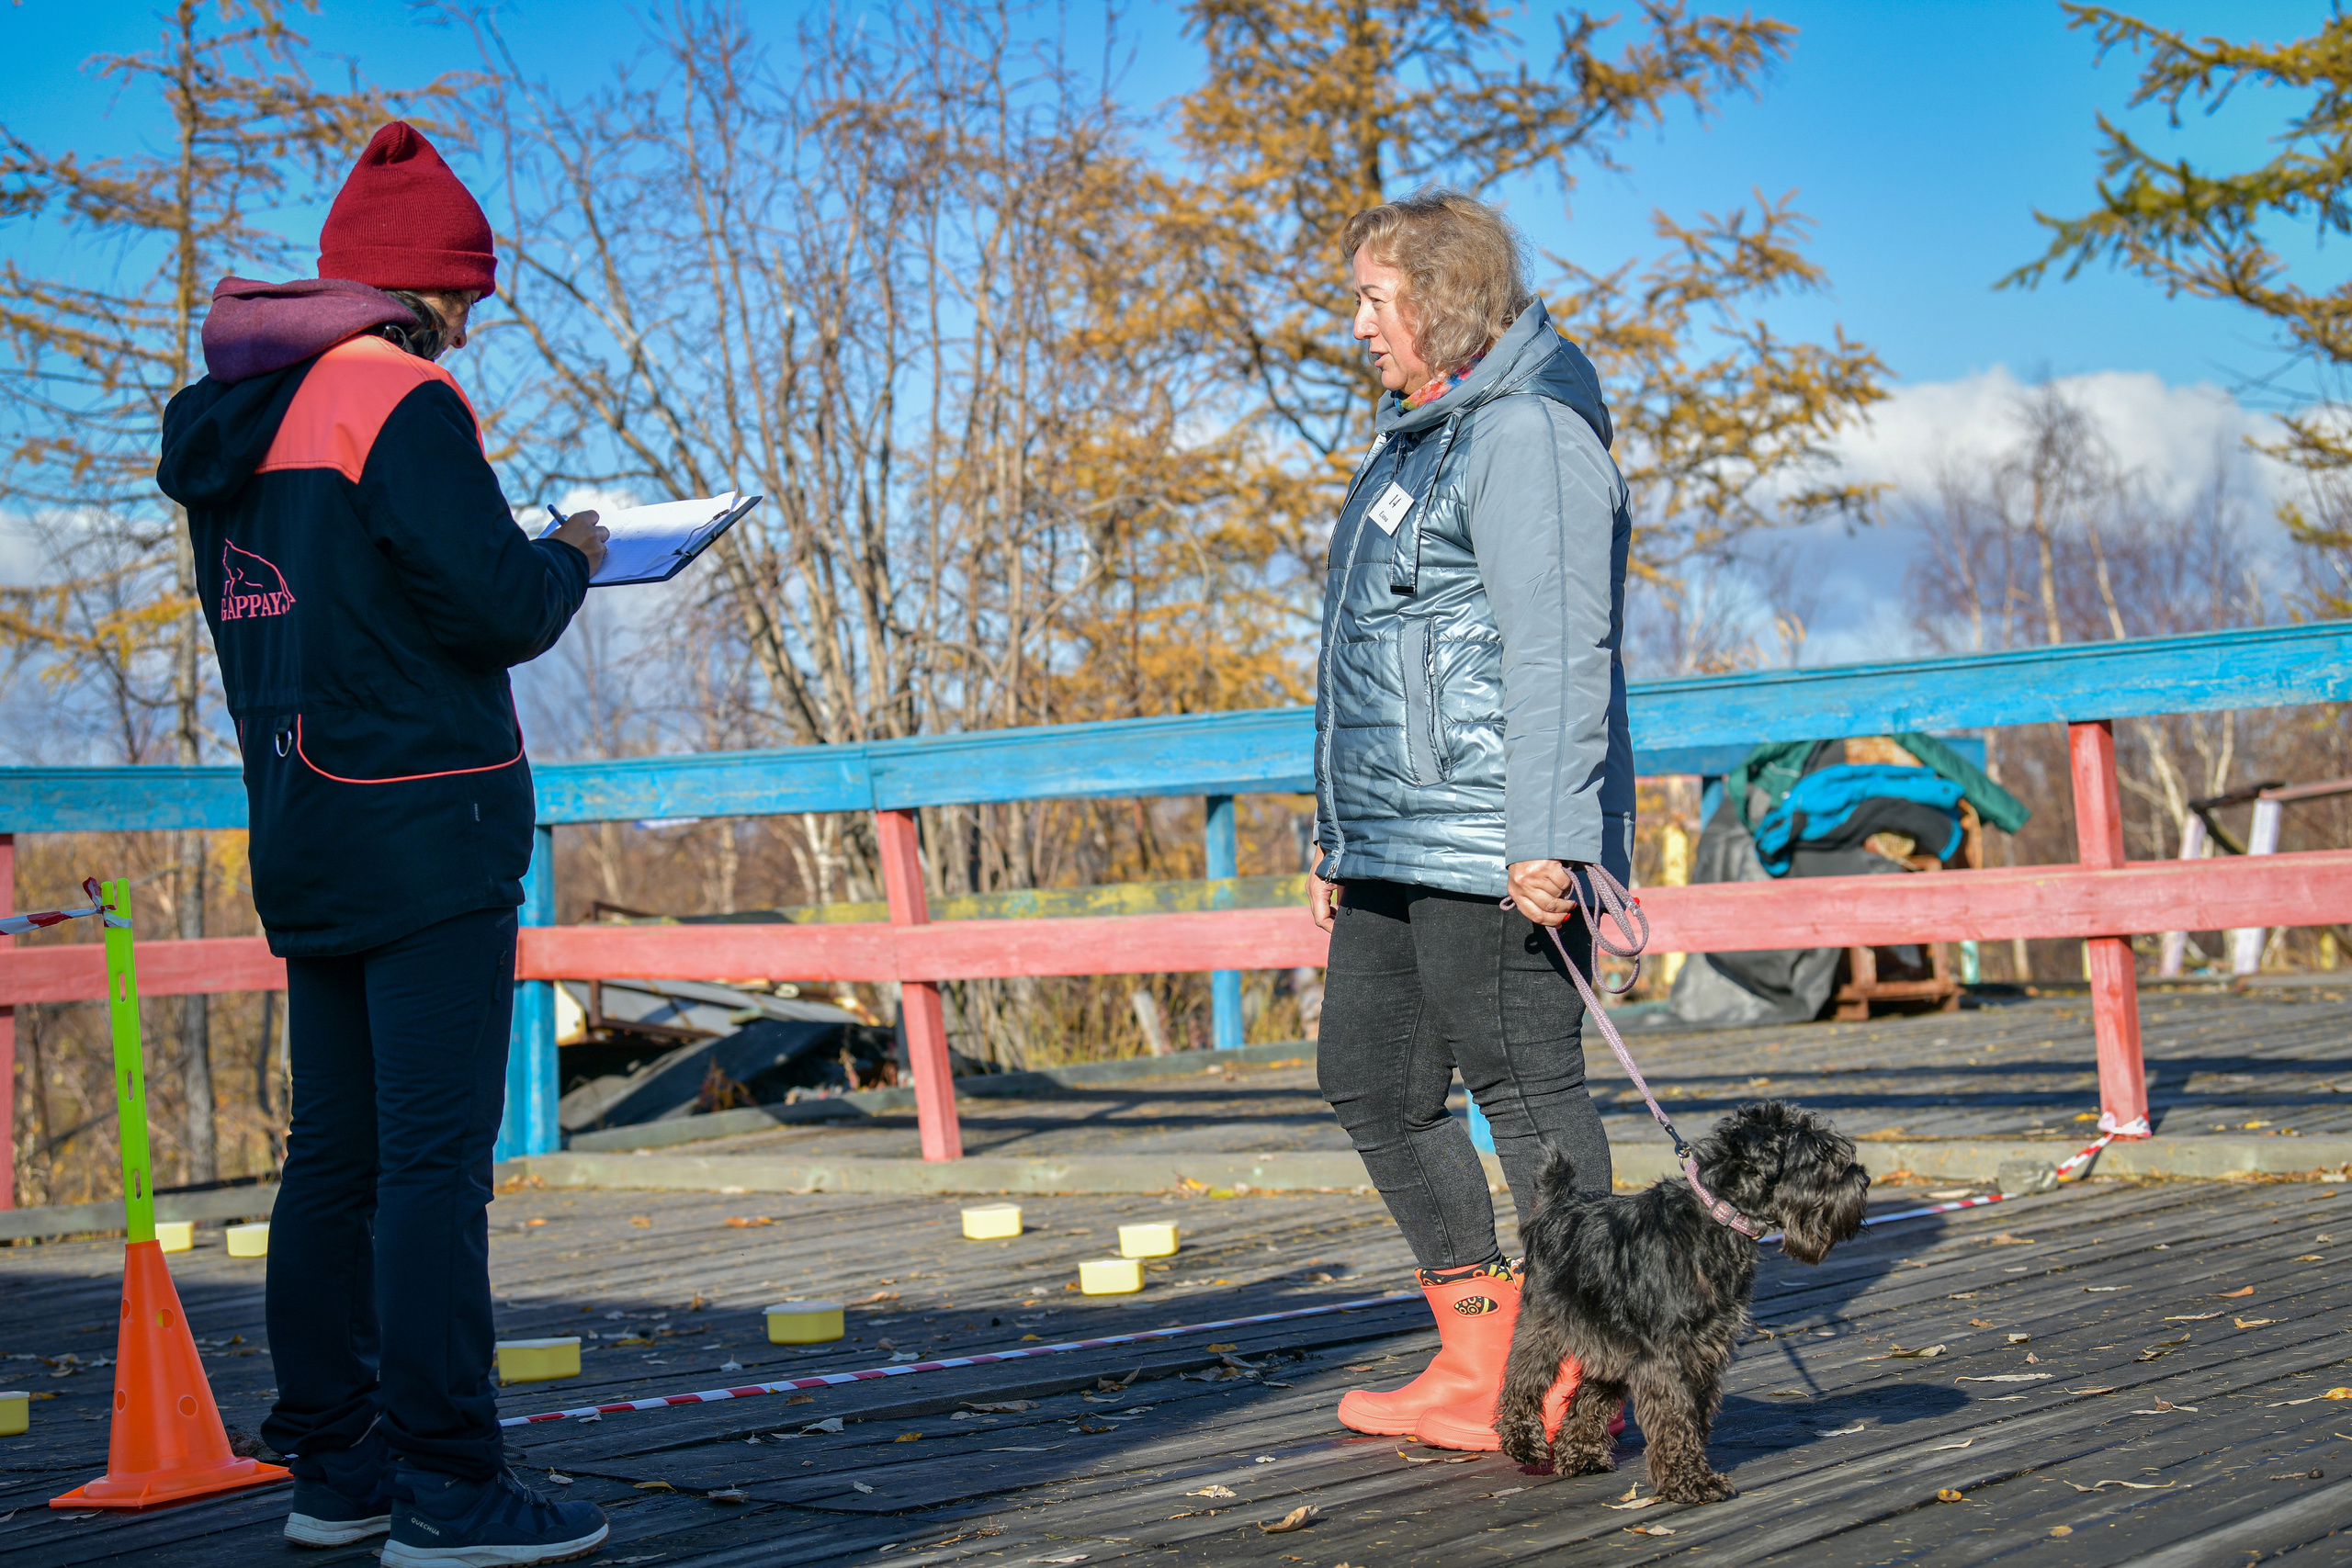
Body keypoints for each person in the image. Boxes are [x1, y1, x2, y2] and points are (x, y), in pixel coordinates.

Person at [157, 122, 613, 1565]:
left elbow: (336, 602)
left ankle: (339, 1471)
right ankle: (455, 1490)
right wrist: (576, 557)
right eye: (468, 302)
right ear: (424, 292)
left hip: (303, 820)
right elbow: (497, 607)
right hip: (428, 821)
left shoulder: (241, 415)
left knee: (332, 1162)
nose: (469, 331)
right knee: (431, 1169)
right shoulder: (396, 399)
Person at [1307, 188, 1634, 1451]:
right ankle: (1483, 1360)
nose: (1358, 326)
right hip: (1393, 835)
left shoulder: (1529, 434)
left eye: (1373, 300)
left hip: (1497, 837)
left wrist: (1551, 832)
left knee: (1531, 1094)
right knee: (1369, 1082)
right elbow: (1364, 658)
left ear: (1440, 302)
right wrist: (1336, 833)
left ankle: (1583, 1378)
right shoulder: (1418, 438)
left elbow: (1560, 646)